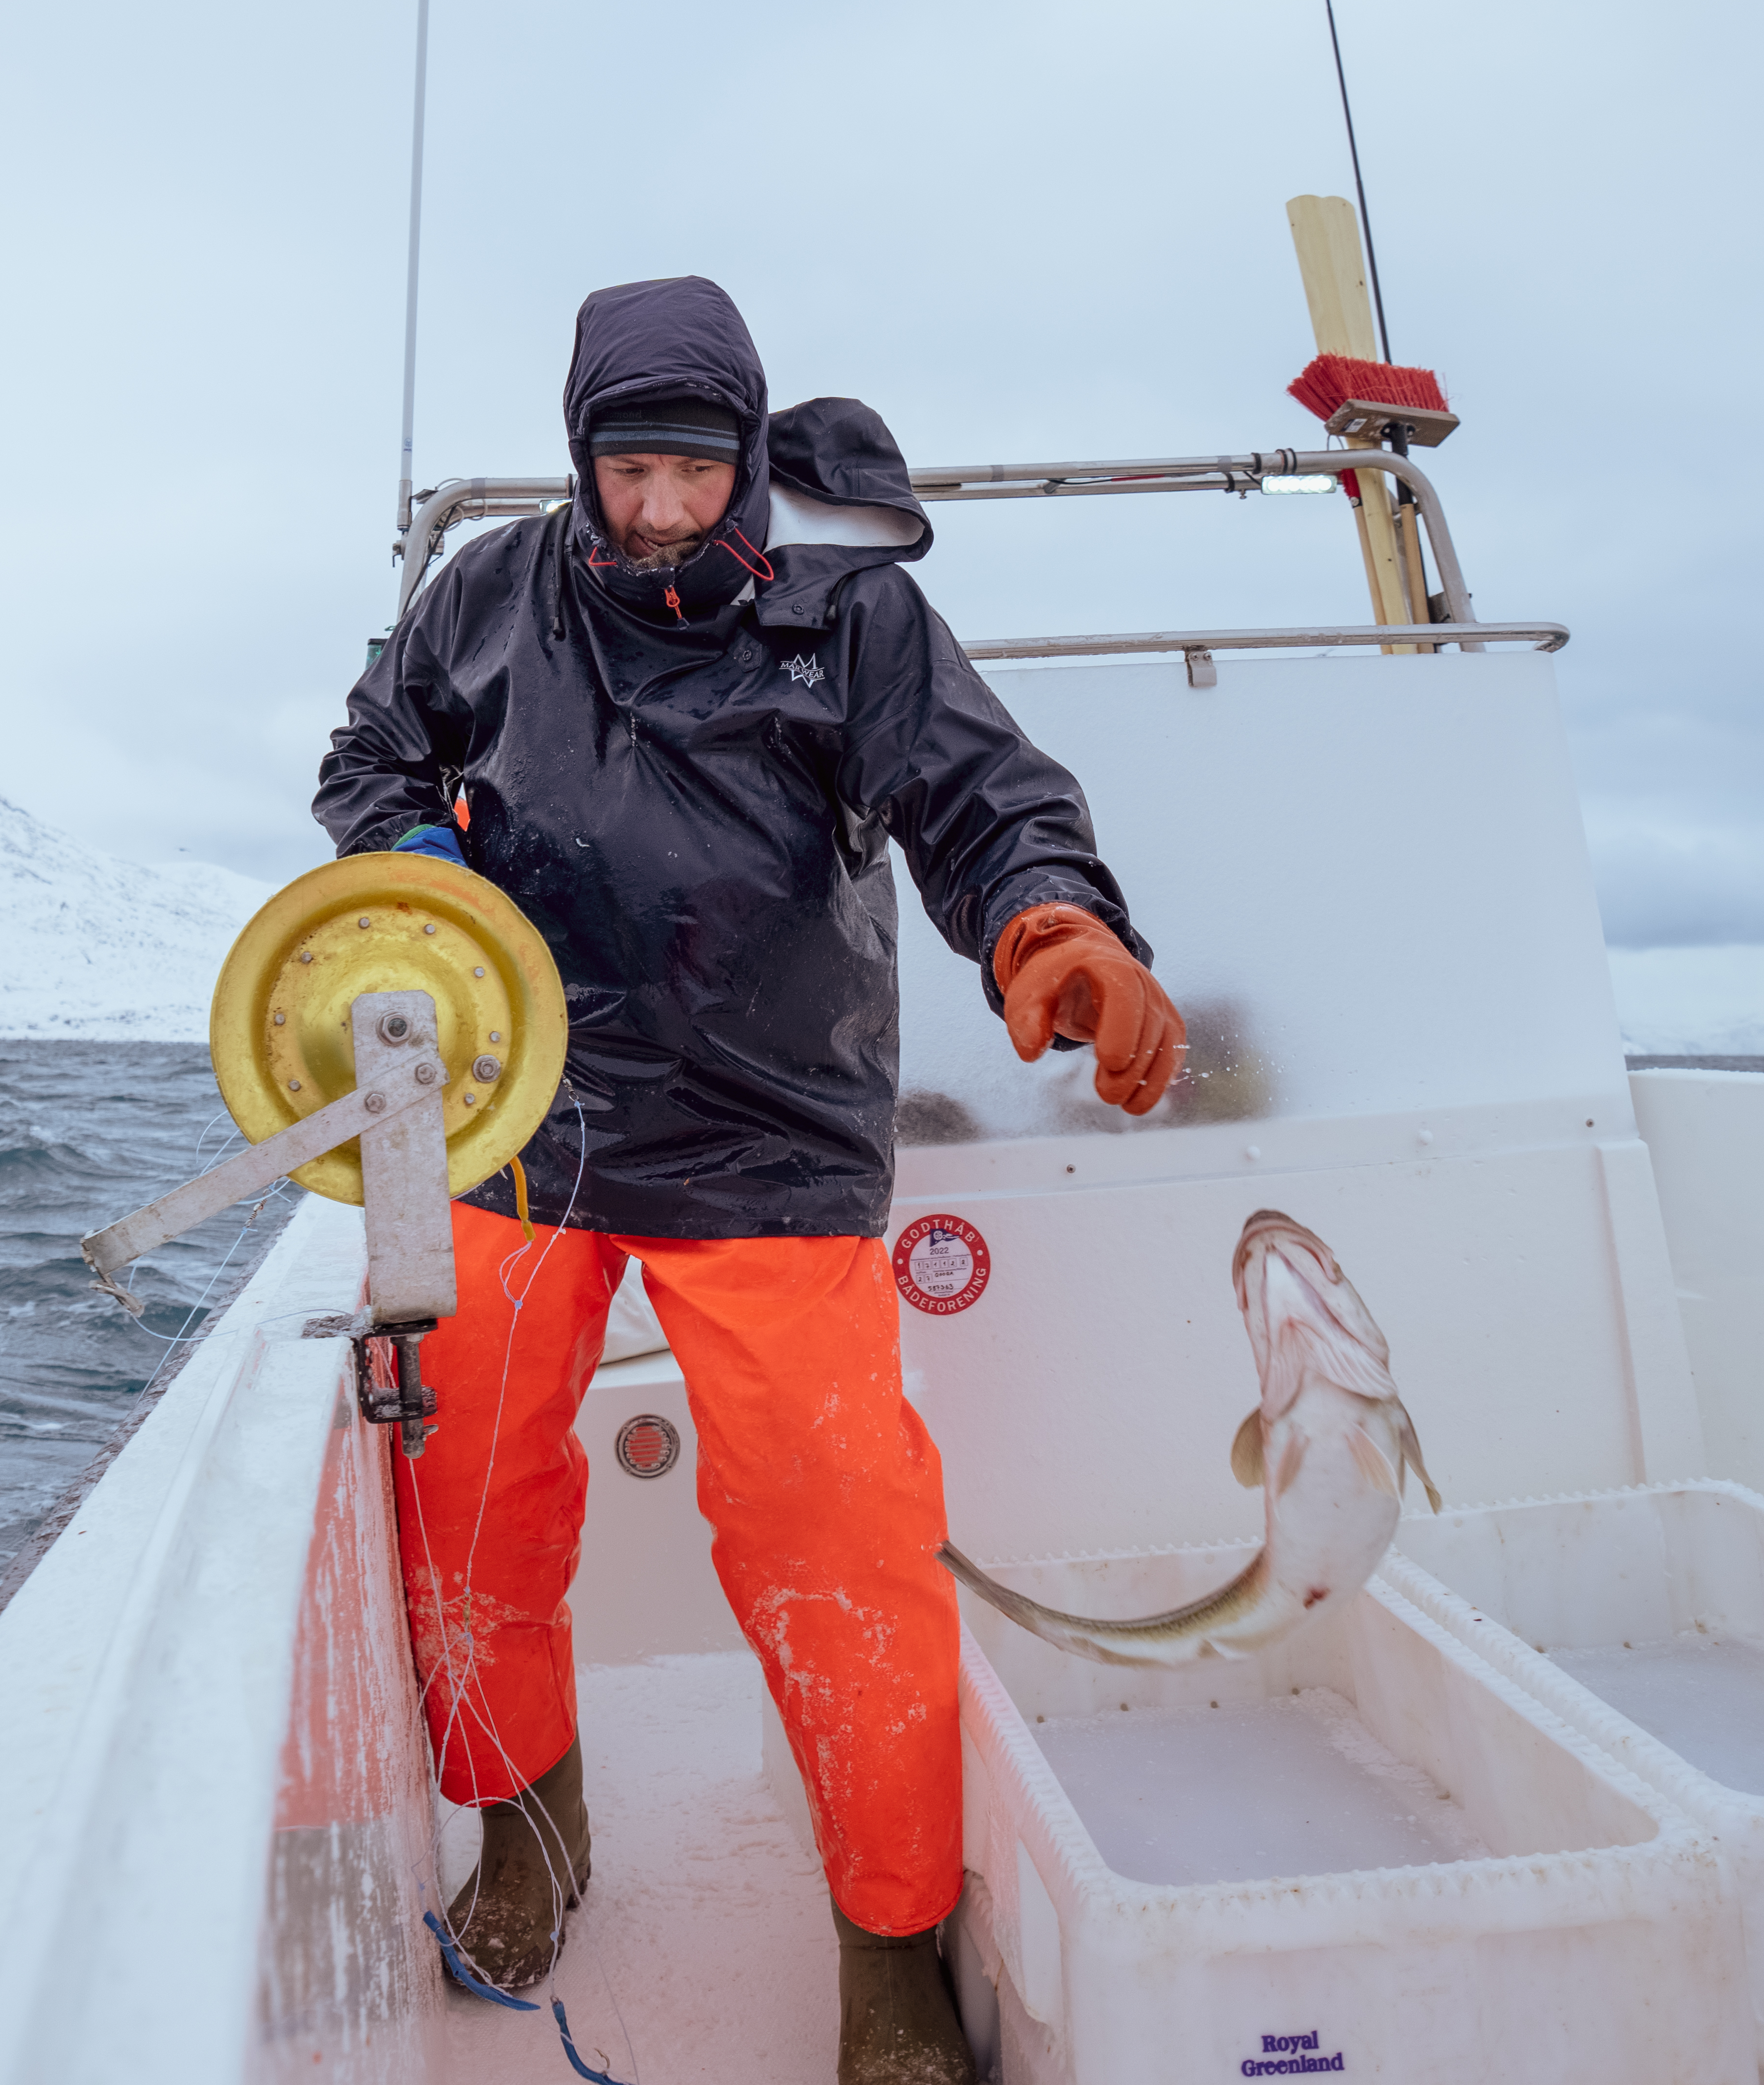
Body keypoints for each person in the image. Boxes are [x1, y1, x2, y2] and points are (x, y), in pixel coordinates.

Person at [312, 275, 1181, 2085]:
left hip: (774, 1130)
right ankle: (528, 1826)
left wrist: (1053, 925)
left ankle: (888, 1941)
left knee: (832, 1530)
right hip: (523, 1118)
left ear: (750, 462)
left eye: (696, 473)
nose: (661, 512)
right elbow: (374, 748)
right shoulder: (483, 598)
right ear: (581, 462)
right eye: (628, 472)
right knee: (466, 1484)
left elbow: (977, 795)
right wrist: (411, 844)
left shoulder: (853, 612)